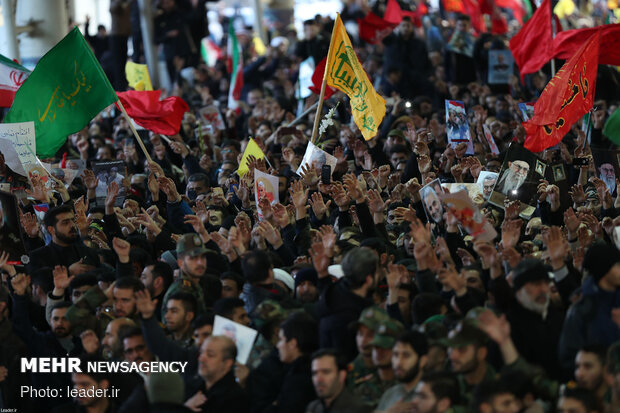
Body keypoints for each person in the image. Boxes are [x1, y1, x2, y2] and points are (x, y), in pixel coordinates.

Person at [195, 335, 250, 412]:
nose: (201, 358)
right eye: (201, 352)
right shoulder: (196, 385)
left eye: (210, 355)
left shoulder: (235, 400)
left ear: (227, 363)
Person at [306, 349, 372, 413]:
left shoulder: (359, 409)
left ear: (342, 375)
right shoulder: (313, 407)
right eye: (314, 373)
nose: (318, 379)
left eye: (326, 372)